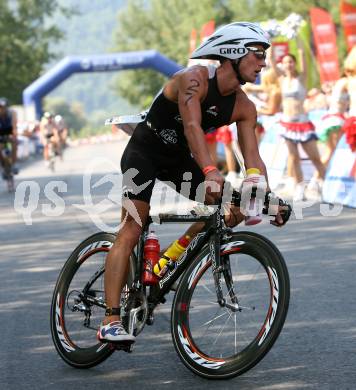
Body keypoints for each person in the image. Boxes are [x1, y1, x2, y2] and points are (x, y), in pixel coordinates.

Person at [98, 22, 291, 344]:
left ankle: (167, 262)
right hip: (143, 153)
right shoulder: (194, 79)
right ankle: (110, 318)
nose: (263, 63)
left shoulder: (245, 106)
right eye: (257, 55)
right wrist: (211, 171)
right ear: (233, 52)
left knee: (236, 207)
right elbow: (191, 126)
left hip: (178, 163)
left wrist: (265, 197)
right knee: (132, 226)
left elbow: (253, 159)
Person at [270, 39, 326, 201]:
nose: (288, 65)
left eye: (291, 62)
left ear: (294, 64)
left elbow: (304, 58)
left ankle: (323, 186)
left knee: (315, 157)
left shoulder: (301, 78)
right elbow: (272, 61)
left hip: (303, 123)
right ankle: (300, 188)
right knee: (293, 157)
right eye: (286, 62)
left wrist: (298, 40)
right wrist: (271, 41)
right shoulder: (281, 79)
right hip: (287, 124)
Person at [0, 97, 19, 174]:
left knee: (14, 143)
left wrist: (14, 135)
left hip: (9, 130)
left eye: (2, 107)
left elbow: (14, 125)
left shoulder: (12, 112)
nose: (1, 109)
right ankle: (3, 166)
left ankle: (14, 164)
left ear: (6, 107)